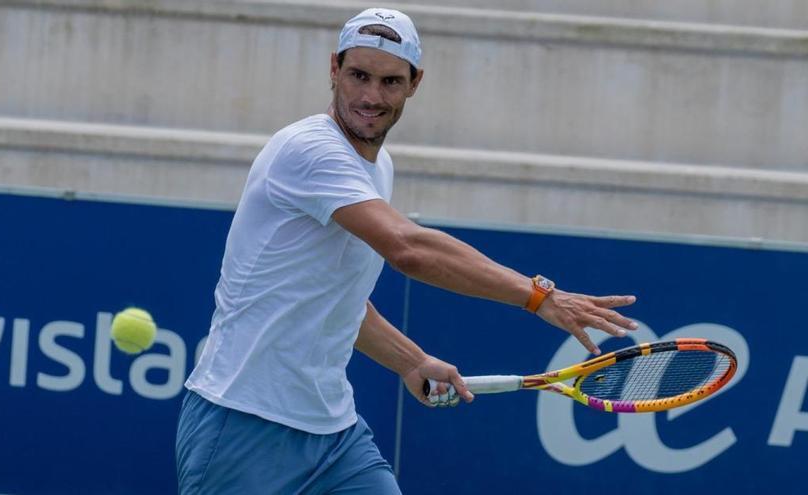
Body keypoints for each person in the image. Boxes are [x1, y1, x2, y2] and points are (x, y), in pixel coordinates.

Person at [175, 7, 637, 494]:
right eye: (358, 75)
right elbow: (408, 249)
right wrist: (538, 295)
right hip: (243, 424)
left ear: (414, 83)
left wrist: (410, 361)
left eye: (390, 81)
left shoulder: (378, 166)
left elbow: (336, 299)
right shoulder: (310, 150)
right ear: (334, 69)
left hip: (334, 436)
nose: (371, 96)